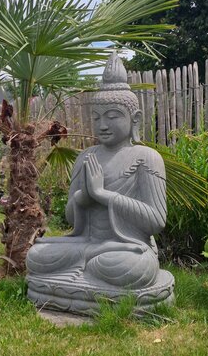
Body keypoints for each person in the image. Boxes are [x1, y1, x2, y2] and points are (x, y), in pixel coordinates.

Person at [27, 52, 173, 311]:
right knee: (36, 256)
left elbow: (156, 220)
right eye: (96, 117)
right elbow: (72, 219)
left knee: (129, 268)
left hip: (128, 249)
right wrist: (85, 195)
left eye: (113, 116)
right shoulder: (86, 157)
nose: (102, 124)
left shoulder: (146, 158)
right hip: (88, 244)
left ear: (135, 119)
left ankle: (80, 276)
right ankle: (88, 269)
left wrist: (104, 194)